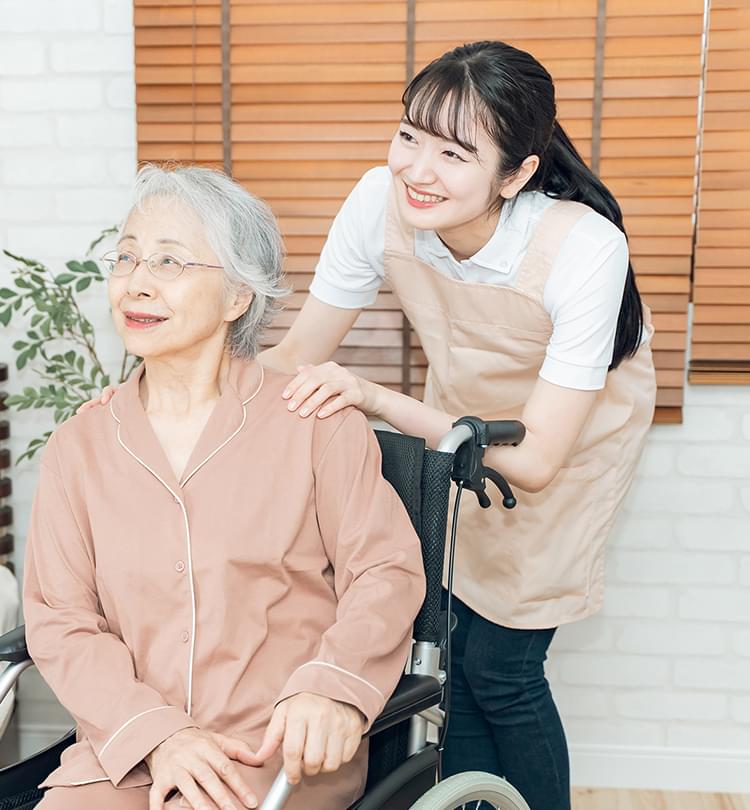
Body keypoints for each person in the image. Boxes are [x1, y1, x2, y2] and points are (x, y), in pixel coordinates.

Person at [257, 41, 658, 810]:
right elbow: (303, 348)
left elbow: (537, 460)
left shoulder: (583, 248)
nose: (417, 169)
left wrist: (371, 398)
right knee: (457, 655)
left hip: (570, 446)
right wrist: (185, 388)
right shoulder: (380, 200)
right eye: (410, 135)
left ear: (516, 174)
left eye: (453, 152)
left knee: (503, 670)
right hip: (458, 417)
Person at [24, 164, 426, 810]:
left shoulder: (316, 424)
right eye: (126, 258)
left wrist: (331, 687)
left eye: (170, 263)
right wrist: (157, 734)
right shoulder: (81, 446)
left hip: (273, 750)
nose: (137, 282)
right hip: (124, 753)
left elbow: (384, 571)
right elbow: (62, 622)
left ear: (238, 297)